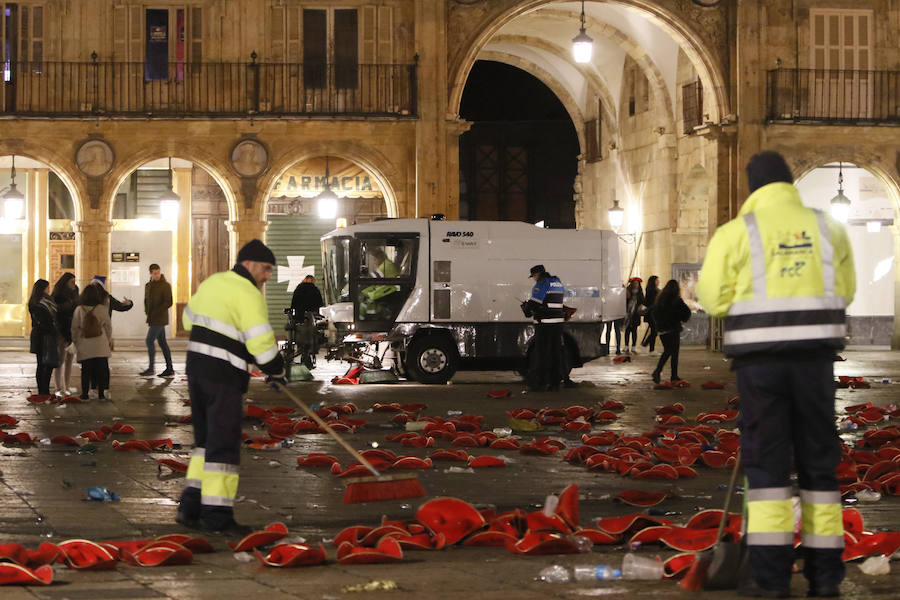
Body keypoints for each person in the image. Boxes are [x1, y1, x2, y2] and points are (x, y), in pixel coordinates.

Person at [697, 151, 855, 599]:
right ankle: (825, 581)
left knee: (766, 470)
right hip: (816, 365)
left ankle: (771, 582)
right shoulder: (829, 228)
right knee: (819, 468)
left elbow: (714, 298)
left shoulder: (736, 234)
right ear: (790, 185)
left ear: (753, 188)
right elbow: (846, 290)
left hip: (760, 368)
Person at [176, 239, 286, 536]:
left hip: (196, 371)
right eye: (265, 269)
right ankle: (217, 516)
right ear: (249, 264)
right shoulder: (248, 293)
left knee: (204, 444)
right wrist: (277, 370)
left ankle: (191, 505)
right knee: (223, 446)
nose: (267, 276)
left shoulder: (213, 283)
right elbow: (262, 344)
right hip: (223, 377)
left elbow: (189, 321)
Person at [522, 264, 566, 392]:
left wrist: (526, 308)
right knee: (555, 353)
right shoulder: (557, 282)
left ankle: (540, 382)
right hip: (558, 324)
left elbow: (535, 303)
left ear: (538, 274)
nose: (534, 279)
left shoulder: (541, 283)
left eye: (534, 276)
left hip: (545, 324)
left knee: (542, 354)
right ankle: (555, 383)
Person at [71, 283, 113, 401]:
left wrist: (76, 341)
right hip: (100, 343)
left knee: (86, 370)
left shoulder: (79, 309)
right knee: (101, 370)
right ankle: (101, 394)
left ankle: (85, 394)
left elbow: (74, 327)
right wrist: (108, 340)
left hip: (85, 343)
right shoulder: (102, 309)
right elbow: (108, 327)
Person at [650, 279, 690, 384]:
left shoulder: (660, 299)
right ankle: (671, 375)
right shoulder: (676, 300)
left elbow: (654, 313)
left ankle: (660, 372)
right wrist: (681, 319)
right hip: (673, 329)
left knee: (667, 351)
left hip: (663, 330)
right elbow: (687, 312)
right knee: (673, 353)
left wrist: (659, 325)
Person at [141, 263, 175, 377]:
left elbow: (169, 301)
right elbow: (146, 300)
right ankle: (169, 368)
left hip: (160, 318)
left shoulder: (165, 285)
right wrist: (147, 311)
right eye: (155, 273)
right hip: (152, 317)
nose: (157, 275)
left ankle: (151, 368)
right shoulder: (148, 285)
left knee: (149, 340)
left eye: (158, 273)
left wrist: (157, 311)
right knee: (162, 343)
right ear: (150, 273)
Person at [28, 279, 58, 395]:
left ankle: (44, 390)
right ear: (43, 288)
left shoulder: (37, 301)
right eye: (47, 287)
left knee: (42, 364)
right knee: (46, 364)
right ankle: (43, 390)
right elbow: (46, 320)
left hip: (40, 334)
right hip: (45, 335)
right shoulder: (41, 303)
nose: (49, 290)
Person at [51, 272, 79, 396]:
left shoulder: (75, 293)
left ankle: (66, 386)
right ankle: (58, 388)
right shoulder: (58, 295)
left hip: (72, 329)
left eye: (75, 281)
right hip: (61, 330)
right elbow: (58, 312)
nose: (74, 284)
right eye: (72, 282)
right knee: (60, 360)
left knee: (69, 360)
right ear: (65, 282)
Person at [622, 277, 645, 354]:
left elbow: (643, 301)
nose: (636, 285)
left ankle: (634, 346)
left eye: (637, 283)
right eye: (634, 283)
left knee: (634, 330)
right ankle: (626, 346)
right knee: (627, 331)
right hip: (628, 314)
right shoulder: (628, 291)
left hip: (635, 314)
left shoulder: (640, 293)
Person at [641, 275, 660, 354]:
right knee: (654, 331)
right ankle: (649, 347)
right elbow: (651, 303)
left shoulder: (654, 290)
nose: (658, 282)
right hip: (652, 313)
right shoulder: (652, 291)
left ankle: (647, 345)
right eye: (657, 280)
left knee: (654, 331)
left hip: (652, 313)